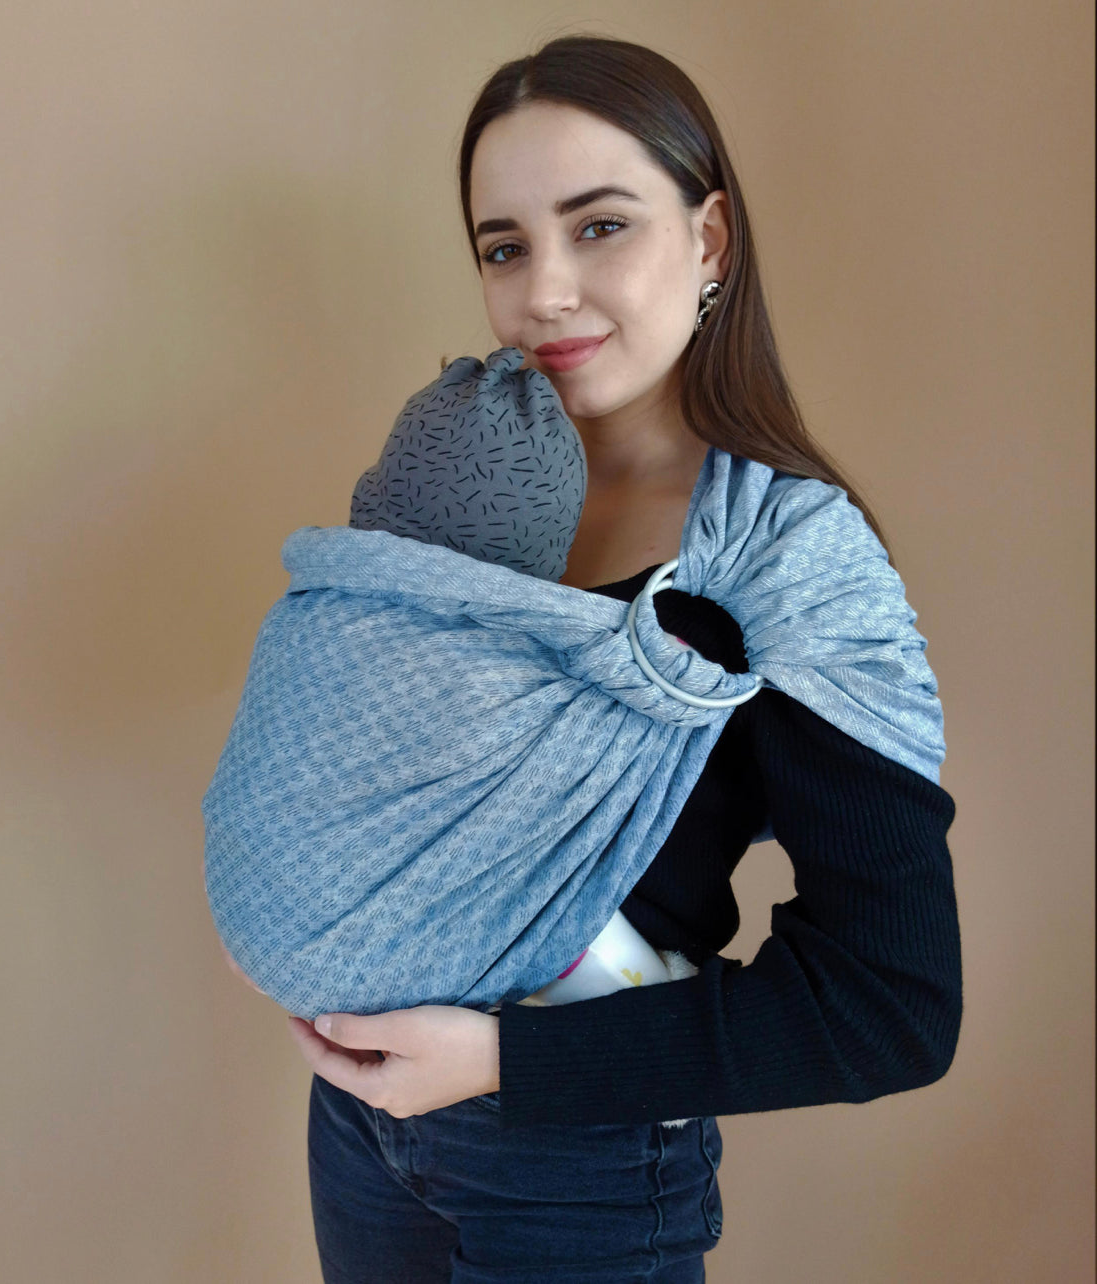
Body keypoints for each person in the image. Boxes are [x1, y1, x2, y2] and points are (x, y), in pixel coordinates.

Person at [262, 34, 962, 1282]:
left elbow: (891, 1005)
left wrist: (506, 1063)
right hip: (362, 1131)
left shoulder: (781, 564)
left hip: (576, 1176)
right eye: (504, 246)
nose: (544, 293)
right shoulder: (474, 498)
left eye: (599, 227)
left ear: (710, 239)